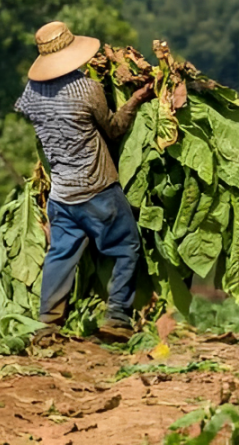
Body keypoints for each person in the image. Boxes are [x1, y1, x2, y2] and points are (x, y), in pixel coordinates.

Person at [15, 21, 153, 342]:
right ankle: (117, 319)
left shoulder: (30, 94)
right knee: (126, 247)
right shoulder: (87, 89)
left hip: (61, 194)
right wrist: (136, 99)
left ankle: (47, 324)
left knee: (61, 255)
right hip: (97, 189)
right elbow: (114, 129)